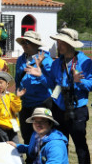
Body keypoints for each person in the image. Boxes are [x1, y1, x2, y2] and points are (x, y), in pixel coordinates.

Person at [26, 28, 91, 164]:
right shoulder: (57, 63)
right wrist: (41, 75)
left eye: (61, 43)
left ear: (69, 44)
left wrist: (80, 81)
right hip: (59, 109)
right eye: (58, 42)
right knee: (60, 143)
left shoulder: (86, 62)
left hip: (77, 110)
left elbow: (90, 85)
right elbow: (51, 84)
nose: (58, 46)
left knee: (80, 146)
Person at [14, 31, 52, 153]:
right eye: (23, 42)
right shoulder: (21, 59)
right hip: (25, 103)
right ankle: (30, 158)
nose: (25, 45)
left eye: (28, 42)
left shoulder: (46, 59)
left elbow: (51, 82)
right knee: (26, 134)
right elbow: (17, 78)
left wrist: (40, 71)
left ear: (36, 44)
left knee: (40, 135)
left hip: (40, 103)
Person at [0, 71, 24, 143]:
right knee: (3, 144)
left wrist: (17, 98)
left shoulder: (11, 96)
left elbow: (16, 109)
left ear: (7, 84)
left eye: (1, 82)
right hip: (0, 125)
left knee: (15, 143)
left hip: (12, 124)